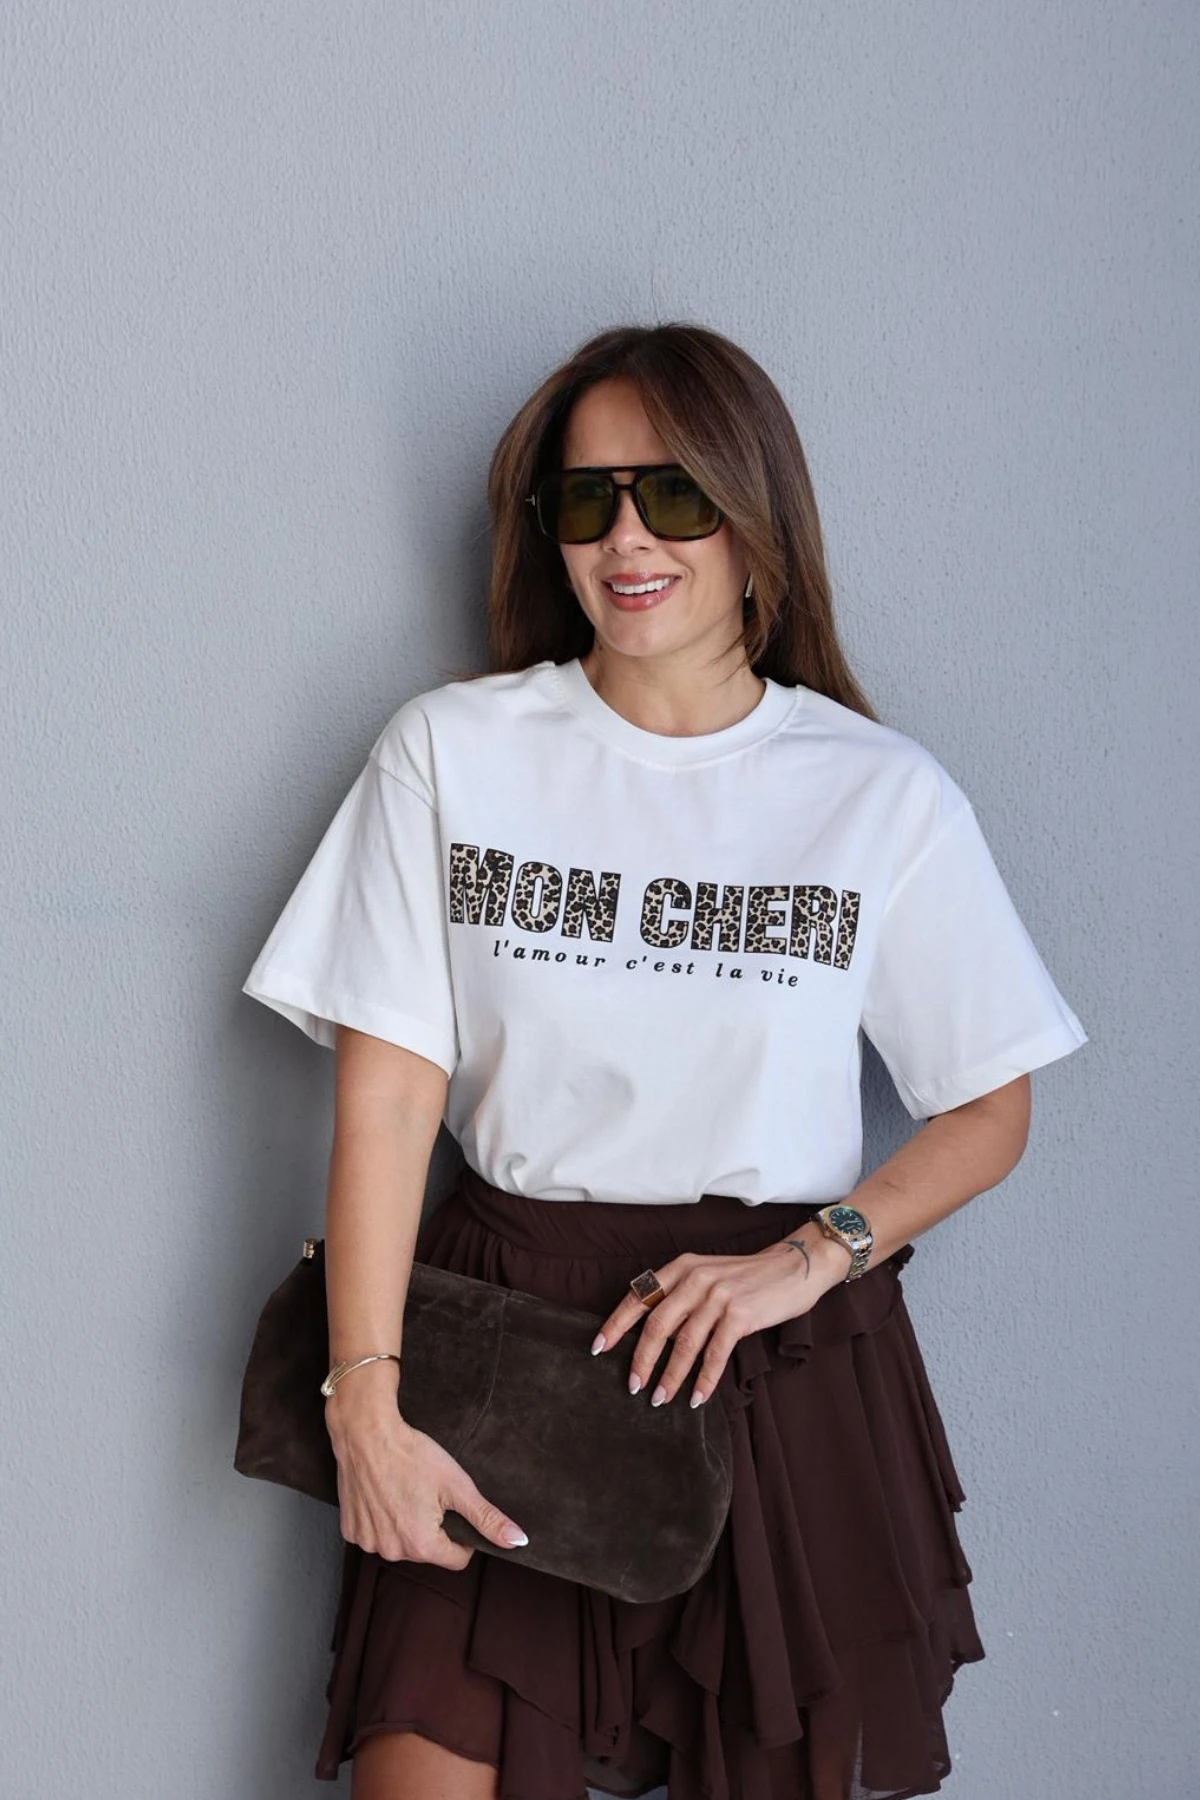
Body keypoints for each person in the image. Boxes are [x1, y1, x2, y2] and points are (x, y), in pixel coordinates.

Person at [241, 322, 1088, 1800]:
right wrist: (361, 1398)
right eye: (588, 499)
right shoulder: (451, 753)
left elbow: (990, 1105)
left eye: (675, 495)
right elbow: (385, 1105)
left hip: (774, 1368)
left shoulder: (879, 796)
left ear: (755, 517)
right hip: (502, 1348)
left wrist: (804, 1263)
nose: (627, 538)